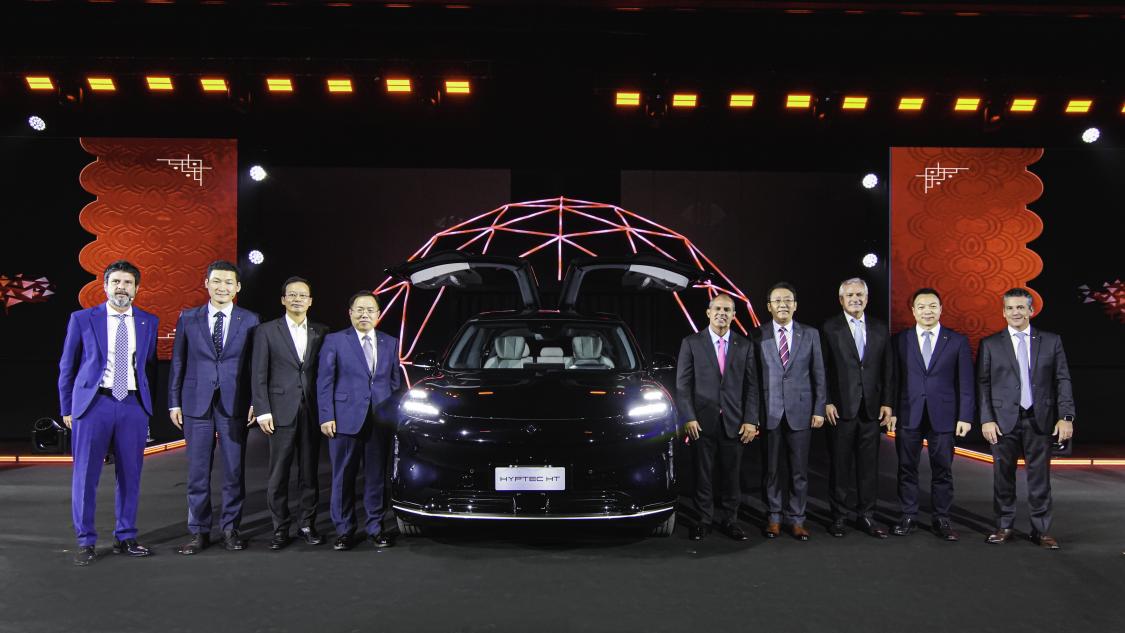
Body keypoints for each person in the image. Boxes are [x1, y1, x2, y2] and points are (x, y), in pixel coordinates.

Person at [58, 260, 158, 566]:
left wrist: (145, 406)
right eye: (116, 282)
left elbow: (148, 365)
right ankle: (86, 541)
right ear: (105, 286)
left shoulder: (148, 321)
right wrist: (67, 408)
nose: (121, 288)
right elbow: (67, 366)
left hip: (132, 406)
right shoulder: (82, 319)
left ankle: (125, 536)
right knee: (86, 475)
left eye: (127, 283)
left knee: (130, 475)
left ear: (136, 288)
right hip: (93, 405)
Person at [169, 260, 260, 554]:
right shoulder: (188, 318)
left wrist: (255, 401)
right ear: (206, 283)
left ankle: (231, 529)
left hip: (235, 403)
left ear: (238, 287)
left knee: (233, 471)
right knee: (197, 472)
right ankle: (199, 531)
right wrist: (174, 401)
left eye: (229, 282)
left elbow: (255, 365)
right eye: (217, 281)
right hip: (196, 402)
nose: (223, 287)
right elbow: (179, 361)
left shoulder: (250, 319)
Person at [978, 288, 1075, 549]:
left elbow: (1062, 379)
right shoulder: (990, 344)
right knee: (1003, 476)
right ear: (1003, 312)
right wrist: (986, 419)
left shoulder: (1051, 341)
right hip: (1002, 421)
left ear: (1031, 310)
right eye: (1010, 308)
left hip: (1040, 419)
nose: (1015, 312)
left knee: (1040, 478)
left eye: (1020, 307)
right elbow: (983, 384)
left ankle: (1041, 530)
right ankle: (1004, 526)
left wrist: (1066, 416)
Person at [317, 292, 401, 550]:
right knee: (343, 476)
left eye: (370, 310)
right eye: (360, 309)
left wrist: (392, 413)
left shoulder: (390, 342)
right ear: (350, 312)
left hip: (379, 420)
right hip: (344, 419)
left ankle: (375, 527)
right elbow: (324, 381)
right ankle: (344, 530)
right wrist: (326, 415)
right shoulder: (335, 340)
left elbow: (394, 382)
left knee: (376, 477)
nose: (365, 314)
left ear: (378, 314)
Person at [251, 276, 329, 550]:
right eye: (292, 295)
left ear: (310, 301)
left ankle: (307, 524)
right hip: (279, 411)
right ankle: (280, 528)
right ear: (283, 299)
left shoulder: (322, 331)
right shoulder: (266, 331)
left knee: (309, 473)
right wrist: (262, 410)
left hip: (311, 411)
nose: (297, 299)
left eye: (302, 295)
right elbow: (258, 374)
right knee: (279, 474)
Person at [890, 288, 973, 541]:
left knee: (943, 469)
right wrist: (891, 410)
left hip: (944, 415)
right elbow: (894, 379)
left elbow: (966, 382)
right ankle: (908, 515)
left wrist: (965, 416)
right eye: (922, 307)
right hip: (908, 413)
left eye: (933, 306)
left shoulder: (957, 341)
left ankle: (942, 518)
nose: (928, 311)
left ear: (941, 309)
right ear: (913, 311)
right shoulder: (900, 340)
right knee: (906, 468)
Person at [675, 293, 760, 541]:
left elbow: (752, 387)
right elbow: (682, 385)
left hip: (735, 422)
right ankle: (703, 520)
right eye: (718, 309)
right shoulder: (691, 342)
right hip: (701, 422)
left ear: (734, 315)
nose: (722, 313)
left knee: (732, 475)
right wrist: (689, 417)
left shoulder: (744, 345)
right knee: (703, 474)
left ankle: (730, 520)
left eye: (727, 310)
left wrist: (751, 420)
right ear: (708, 313)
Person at [821, 278, 895, 538]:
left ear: (867, 298)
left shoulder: (880, 328)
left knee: (868, 468)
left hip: (871, 409)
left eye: (860, 295)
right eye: (850, 295)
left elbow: (888, 368)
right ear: (841, 300)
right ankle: (839, 517)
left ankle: (866, 516)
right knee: (840, 466)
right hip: (840, 408)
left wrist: (888, 402)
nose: (855, 299)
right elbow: (823, 368)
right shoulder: (829, 328)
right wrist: (826, 400)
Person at [756, 282, 825, 541]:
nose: (782, 304)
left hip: (802, 411)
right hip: (770, 411)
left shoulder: (810, 334)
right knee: (771, 470)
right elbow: (754, 378)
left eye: (787, 300)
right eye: (777, 300)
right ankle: (774, 518)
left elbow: (819, 374)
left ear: (795, 305)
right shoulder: (758, 335)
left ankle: (797, 519)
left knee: (799, 471)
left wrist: (819, 408)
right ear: (769, 306)